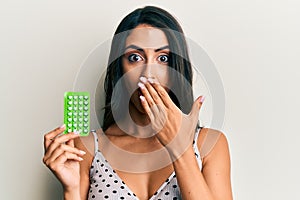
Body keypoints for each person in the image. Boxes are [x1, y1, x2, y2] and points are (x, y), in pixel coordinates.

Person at [43, 6, 233, 200]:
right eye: (135, 58)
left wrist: (180, 149)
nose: (148, 74)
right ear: (119, 68)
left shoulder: (208, 145)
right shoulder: (87, 148)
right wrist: (71, 190)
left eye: (163, 58)